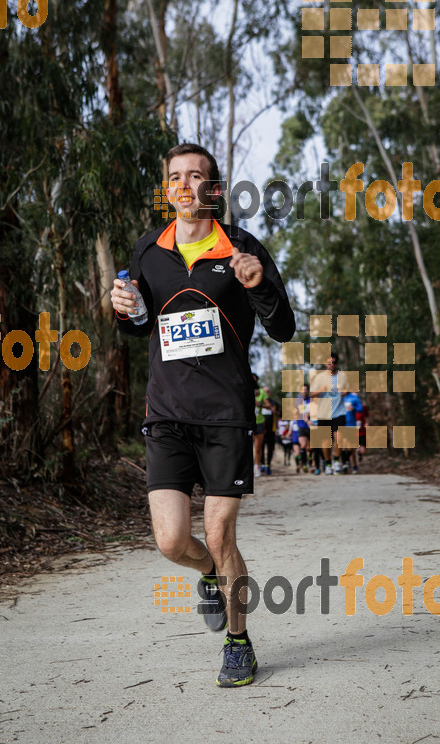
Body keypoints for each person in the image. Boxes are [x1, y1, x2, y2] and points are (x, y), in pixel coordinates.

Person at [110, 142, 295, 687]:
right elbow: (141, 324)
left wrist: (258, 285)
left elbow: (283, 327)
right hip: (167, 415)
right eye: (175, 177)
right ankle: (210, 575)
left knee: (219, 534)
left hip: (225, 416)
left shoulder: (242, 247)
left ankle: (239, 643)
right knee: (171, 541)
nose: (186, 186)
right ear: (167, 189)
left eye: (198, 177)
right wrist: (126, 308)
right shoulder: (149, 251)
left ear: (214, 189)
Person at [309, 352, 347, 475]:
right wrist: (321, 390)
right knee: (326, 441)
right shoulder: (319, 377)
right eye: (329, 362)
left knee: (338, 437)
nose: (331, 365)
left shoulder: (342, 376)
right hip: (324, 413)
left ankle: (336, 461)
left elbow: (347, 388)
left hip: (339, 411)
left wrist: (345, 391)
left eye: (334, 362)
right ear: (325, 363)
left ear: (336, 364)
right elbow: (310, 394)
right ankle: (328, 463)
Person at [252, 374, 271, 478]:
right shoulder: (243, 389)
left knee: (258, 448)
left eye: (254, 380)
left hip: (259, 422)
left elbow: (269, 406)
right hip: (246, 422)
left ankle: (257, 467)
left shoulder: (261, 392)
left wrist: (260, 404)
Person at [341, 391, 363, 474]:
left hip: (351, 424)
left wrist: (353, 407)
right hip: (340, 424)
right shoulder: (337, 398)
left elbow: (360, 409)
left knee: (351, 448)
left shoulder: (353, 397)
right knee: (342, 446)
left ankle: (354, 465)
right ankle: (344, 464)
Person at [261, 385, 278, 475]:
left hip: (272, 430)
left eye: (268, 391)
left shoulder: (274, 403)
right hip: (261, 430)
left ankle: (268, 464)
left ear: (270, 393)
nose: (266, 393)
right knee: (260, 448)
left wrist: (276, 412)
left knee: (270, 449)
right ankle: (262, 463)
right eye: (264, 391)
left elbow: (281, 414)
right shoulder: (258, 402)